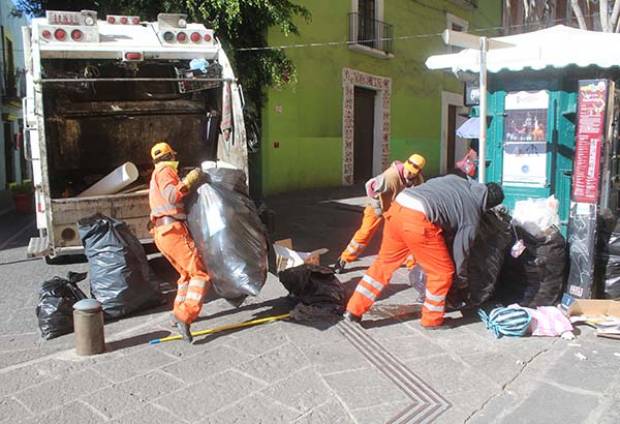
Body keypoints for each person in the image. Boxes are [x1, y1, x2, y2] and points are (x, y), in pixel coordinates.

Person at [344, 174, 504, 328]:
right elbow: (461, 249)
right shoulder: (472, 212)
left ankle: (354, 309)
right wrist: (461, 279)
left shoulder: (457, 179)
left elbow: (435, 185)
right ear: (488, 204)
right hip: (418, 220)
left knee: (383, 264)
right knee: (442, 273)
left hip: (398, 207)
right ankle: (432, 320)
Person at [149, 141, 209, 343]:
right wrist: (189, 181)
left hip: (162, 233)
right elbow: (173, 196)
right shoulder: (165, 171)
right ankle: (185, 316)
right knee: (200, 273)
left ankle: (178, 312)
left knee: (185, 275)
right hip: (173, 231)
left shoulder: (155, 174)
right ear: (170, 157)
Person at [334, 154, 426, 274]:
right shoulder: (390, 176)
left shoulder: (419, 181)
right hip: (377, 207)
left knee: (409, 234)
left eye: (413, 172)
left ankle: (412, 266)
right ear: (405, 164)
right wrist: (377, 208)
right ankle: (344, 259)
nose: (409, 174)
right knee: (365, 232)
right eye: (408, 170)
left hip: (395, 209)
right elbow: (370, 186)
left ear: (418, 172)